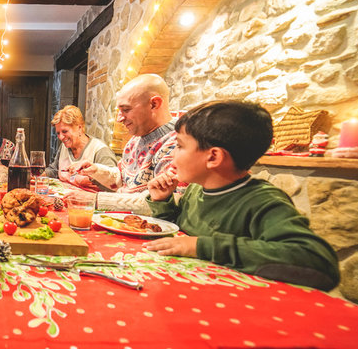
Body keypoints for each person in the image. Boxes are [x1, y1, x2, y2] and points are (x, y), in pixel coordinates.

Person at [143, 101, 339, 290]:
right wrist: (163, 202)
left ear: (214, 157)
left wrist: (201, 246)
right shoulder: (196, 189)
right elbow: (179, 236)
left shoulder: (263, 202)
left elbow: (318, 261)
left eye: (179, 146)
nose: (173, 155)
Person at [66, 74, 177, 213]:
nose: (119, 118)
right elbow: (123, 179)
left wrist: (95, 199)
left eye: (126, 109)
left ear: (154, 104)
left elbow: (158, 202)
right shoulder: (135, 139)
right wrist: (96, 170)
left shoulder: (178, 145)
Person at [43, 105, 117, 189]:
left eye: (65, 131)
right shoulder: (64, 146)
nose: (61, 137)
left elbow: (113, 186)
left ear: (79, 128)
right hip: (65, 197)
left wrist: (93, 176)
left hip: (89, 200)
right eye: (58, 133)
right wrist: (35, 175)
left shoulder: (100, 151)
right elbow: (54, 170)